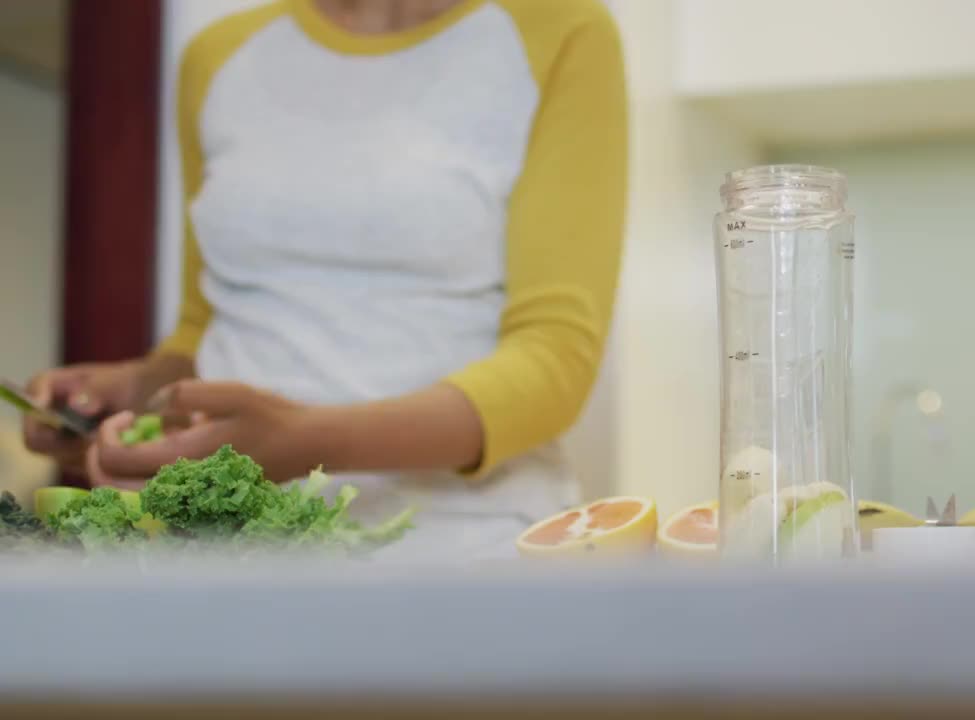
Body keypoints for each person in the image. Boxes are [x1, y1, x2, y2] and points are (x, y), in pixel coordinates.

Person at [22, 0, 626, 561]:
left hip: (465, 551)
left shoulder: (557, 33)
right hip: (231, 554)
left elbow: (553, 361)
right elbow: (204, 327)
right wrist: (142, 387)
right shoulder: (220, 55)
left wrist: (307, 440)